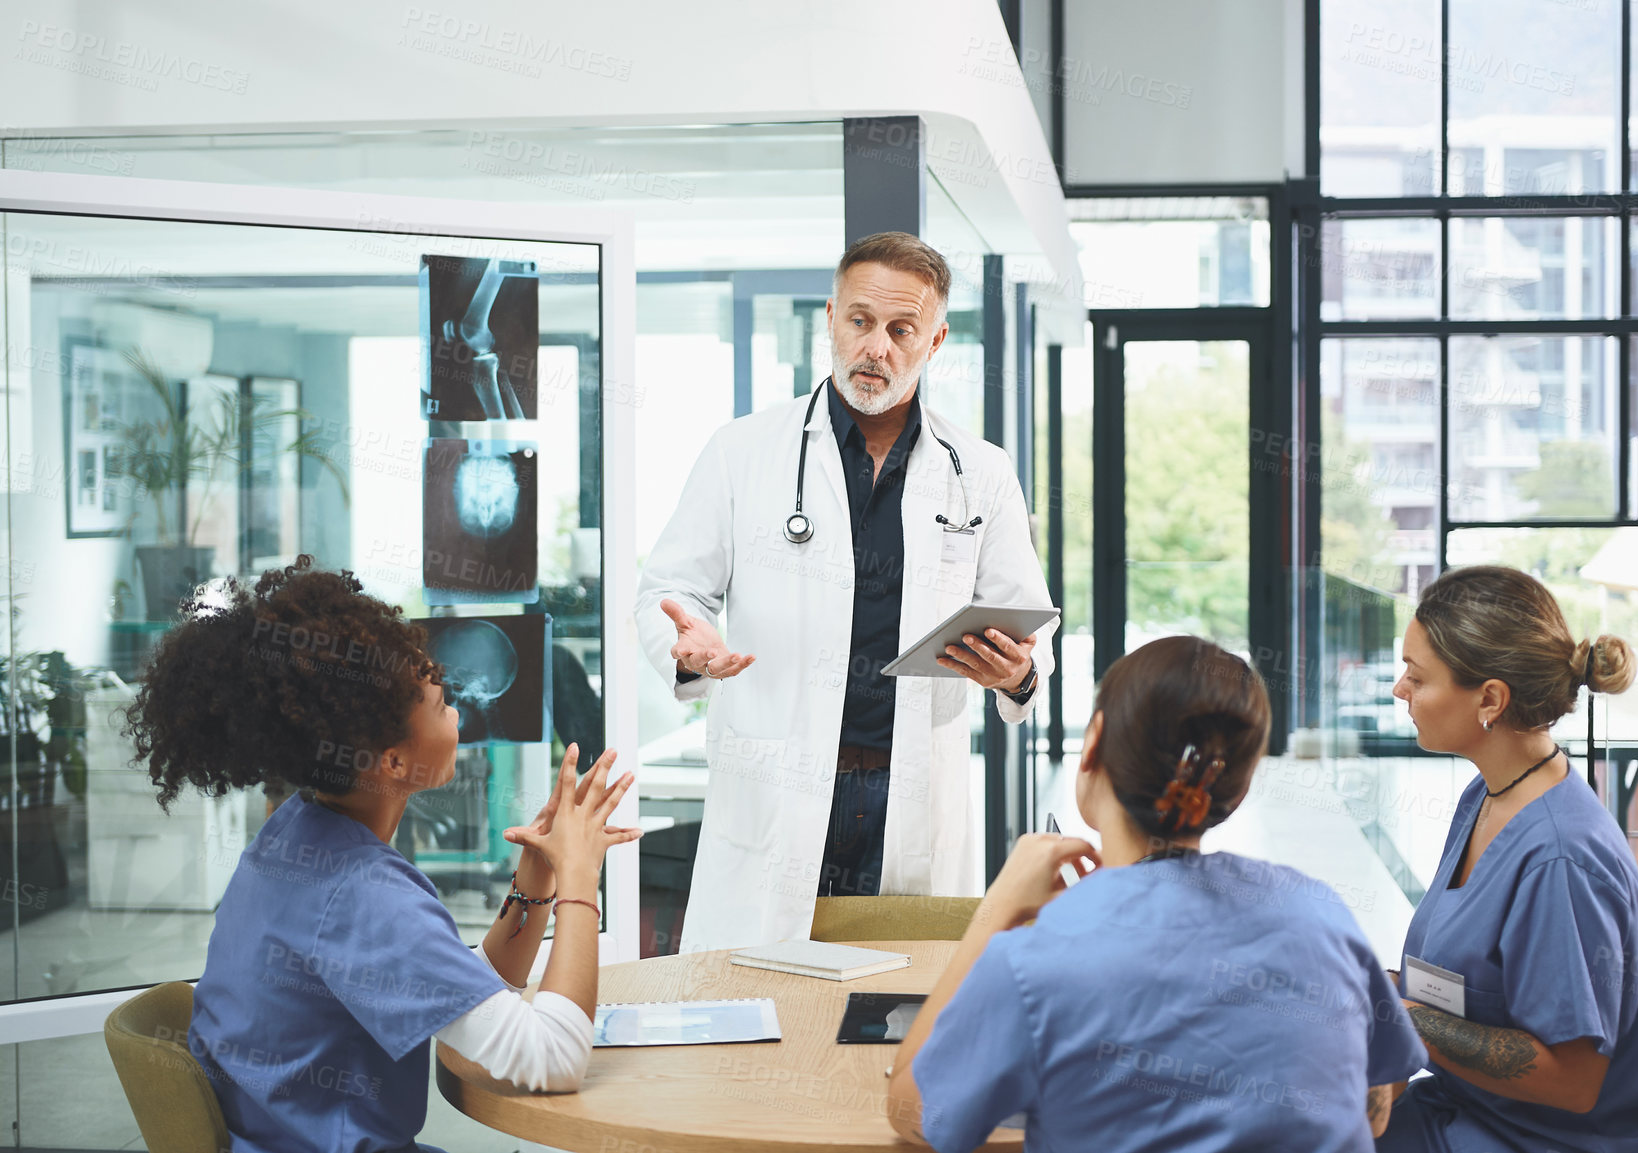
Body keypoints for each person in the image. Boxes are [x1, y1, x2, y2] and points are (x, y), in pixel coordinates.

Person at [123, 557, 640, 1153]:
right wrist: (582, 879)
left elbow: (455, 997)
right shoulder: (363, 896)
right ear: (392, 762)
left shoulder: (294, 834)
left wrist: (539, 879)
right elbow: (552, 1060)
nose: (453, 701)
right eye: (439, 698)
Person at [636, 231, 1055, 953]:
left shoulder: (980, 472)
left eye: (901, 330)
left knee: (893, 1011)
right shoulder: (741, 453)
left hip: (909, 794)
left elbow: (1027, 624)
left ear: (936, 339)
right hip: (782, 786)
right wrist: (687, 644)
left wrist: (1019, 674)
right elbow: (669, 590)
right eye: (860, 321)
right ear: (830, 318)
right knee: (759, 1000)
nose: (877, 348)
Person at [886, 636, 1427, 1152]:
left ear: (1092, 745)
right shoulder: (1319, 913)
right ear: (1234, 794)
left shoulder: (1033, 963)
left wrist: (996, 912)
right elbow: (1378, 1099)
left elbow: (913, 1115)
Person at [1379, 565, 1638, 1153]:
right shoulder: (1488, 795)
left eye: (1416, 675)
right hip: (1465, 1109)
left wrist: (1402, 1015)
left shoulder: (1560, 859)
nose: (1399, 690)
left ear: (1489, 698)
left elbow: (1575, 1080)